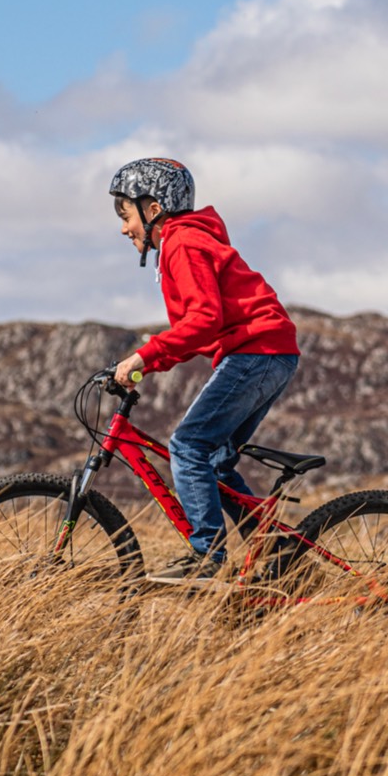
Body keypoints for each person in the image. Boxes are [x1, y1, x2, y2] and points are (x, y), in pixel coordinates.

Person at [106, 157, 299, 582]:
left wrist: (143, 355)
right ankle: (277, 554)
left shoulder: (183, 243)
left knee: (189, 445)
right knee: (214, 462)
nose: (123, 228)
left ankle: (205, 555)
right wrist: (148, 364)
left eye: (125, 215)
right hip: (267, 353)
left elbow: (204, 320)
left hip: (257, 353)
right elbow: (193, 331)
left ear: (152, 208)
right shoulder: (185, 241)